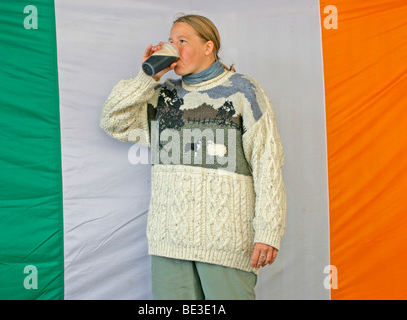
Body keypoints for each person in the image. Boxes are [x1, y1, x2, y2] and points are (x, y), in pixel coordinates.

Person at [100, 14, 286, 300]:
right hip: (169, 241)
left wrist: (268, 231)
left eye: (182, 42)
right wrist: (146, 77)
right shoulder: (162, 96)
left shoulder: (243, 91)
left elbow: (268, 164)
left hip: (226, 241)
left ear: (208, 46)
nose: (174, 49)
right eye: (171, 42)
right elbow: (113, 121)